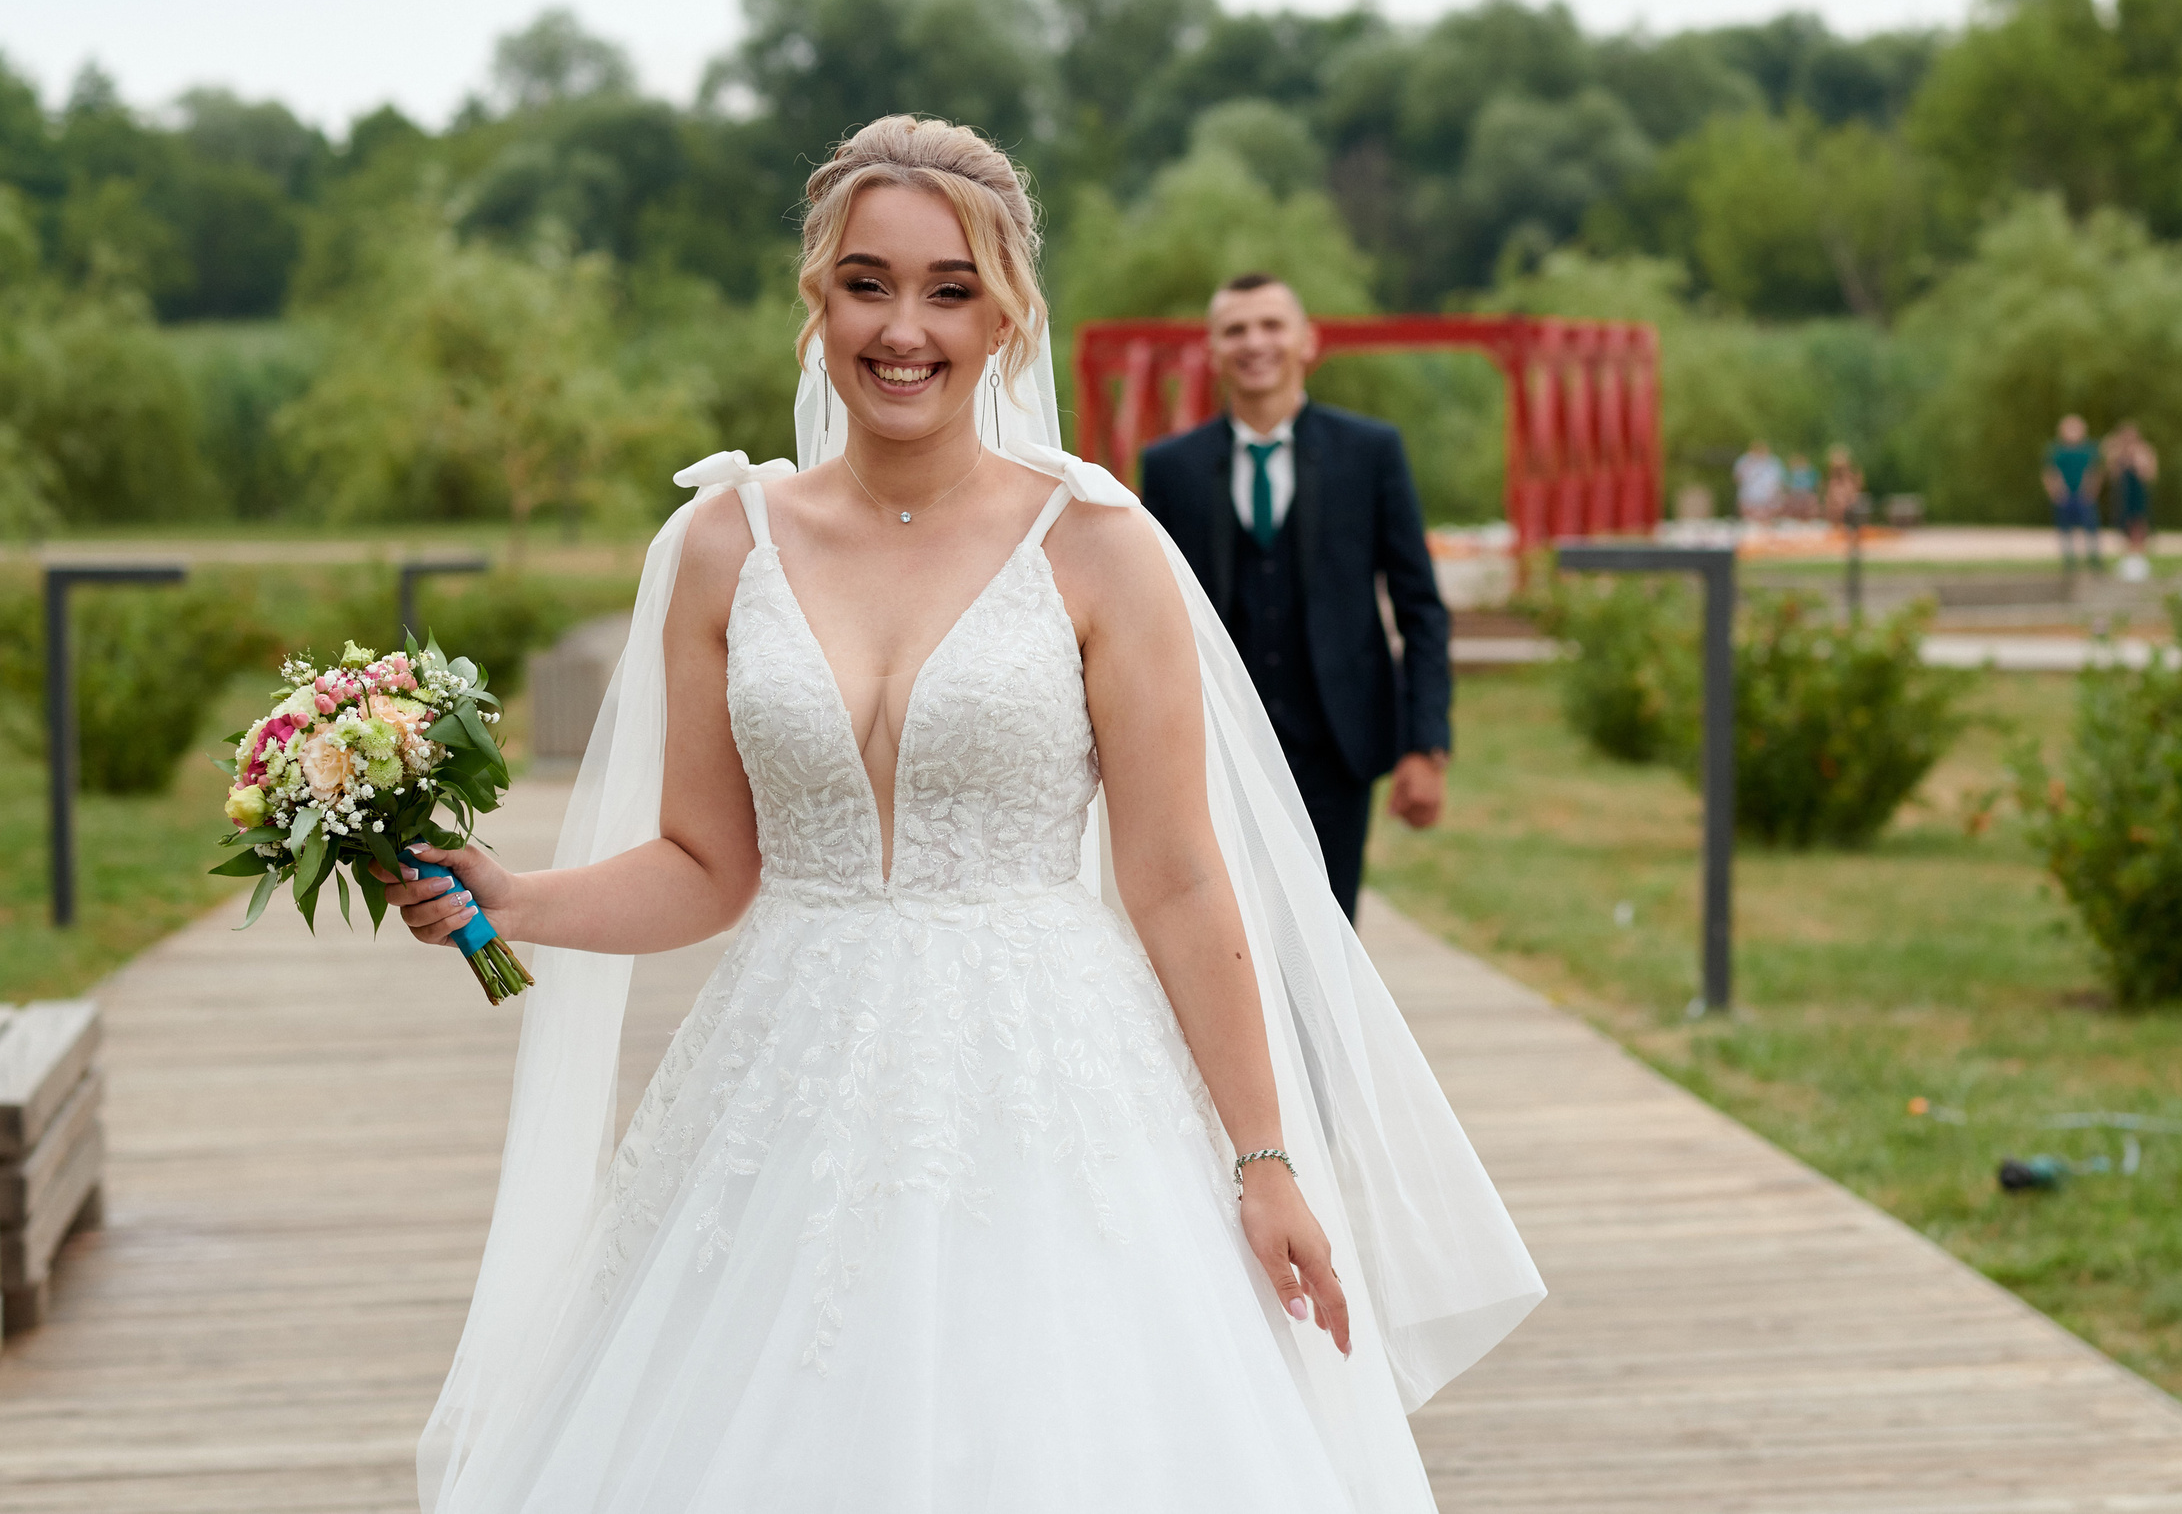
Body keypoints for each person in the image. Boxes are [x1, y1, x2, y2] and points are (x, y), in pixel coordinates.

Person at [383, 118, 1539, 1513]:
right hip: (784, 1084)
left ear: (1008, 313)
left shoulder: (1101, 547)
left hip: (1047, 1078)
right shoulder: (720, 544)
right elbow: (705, 866)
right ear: (818, 298)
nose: (905, 329)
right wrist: (514, 897)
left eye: (949, 289)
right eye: (868, 283)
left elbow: (1174, 878)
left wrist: (1266, 1157)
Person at [1139, 275, 1452, 921]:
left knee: (1328, 938)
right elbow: (1145, 616)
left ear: (1308, 341)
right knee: (1225, 935)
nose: (1255, 342)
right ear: (1214, 348)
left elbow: (1420, 607)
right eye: (1236, 329)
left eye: (1272, 325)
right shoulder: (1171, 468)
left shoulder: (1371, 452)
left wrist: (1425, 745)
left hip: (1337, 747)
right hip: (1213, 753)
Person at [2042, 415, 2103, 573]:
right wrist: (2055, 492)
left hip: (2084, 495)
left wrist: (2092, 491)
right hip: (2064, 495)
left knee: (2090, 526)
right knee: (2065, 528)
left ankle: (2093, 557)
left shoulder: (2089, 450)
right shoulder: (2057, 450)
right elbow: (2049, 473)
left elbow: (2096, 472)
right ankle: (2069, 560)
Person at [2103, 421, 2157, 581]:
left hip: (2138, 493)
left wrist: (2137, 461)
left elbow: (2150, 475)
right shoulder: (2116, 453)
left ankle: (2140, 559)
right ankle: (2128, 560)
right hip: (2122, 496)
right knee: (2123, 525)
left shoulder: (2144, 451)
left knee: (2139, 525)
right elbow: (2111, 473)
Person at [1732, 439, 1784, 525]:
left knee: (1777, 503)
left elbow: (1780, 483)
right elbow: (1737, 478)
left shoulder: (1774, 462)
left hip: (1769, 501)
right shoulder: (1744, 460)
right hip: (1749, 499)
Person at [1820, 444, 1864, 533]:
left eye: (1841, 468)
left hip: (1847, 519)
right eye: (1836, 468)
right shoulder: (1831, 482)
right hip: (1834, 522)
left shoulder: (1850, 481)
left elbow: (1853, 497)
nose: (1839, 470)